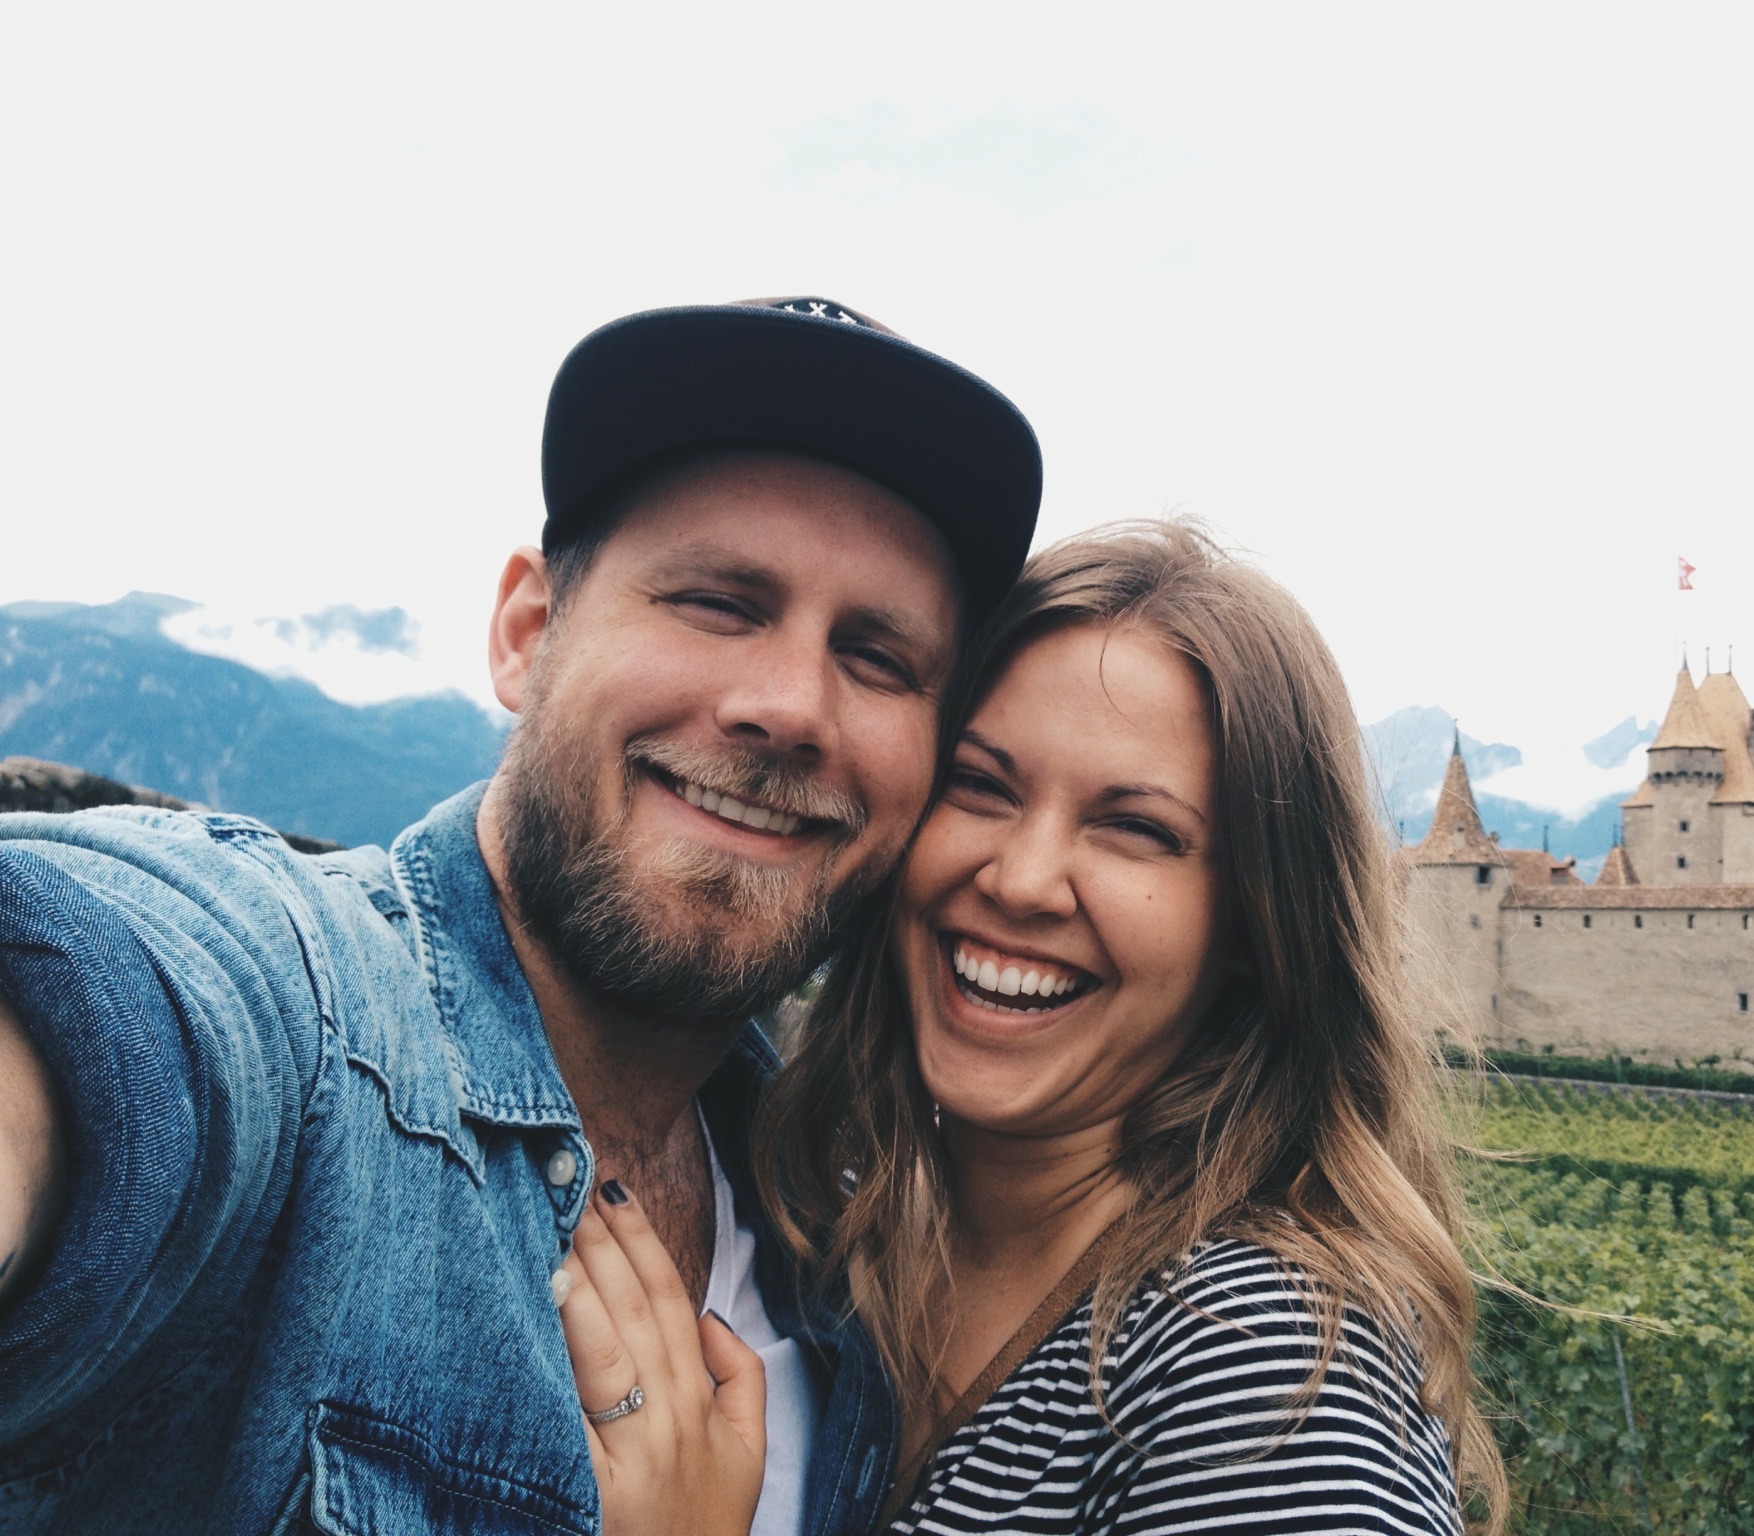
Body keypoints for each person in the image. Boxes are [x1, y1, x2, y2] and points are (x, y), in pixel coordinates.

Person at [0, 296, 1040, 1535]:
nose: (790, 706)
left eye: (877, 658)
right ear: (527, 633)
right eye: (718, 601)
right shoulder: (304, 1017)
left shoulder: (836, 1227)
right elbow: (117, 1008)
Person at [565, 522, 1507, 1535]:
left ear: (1254, 923)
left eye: (1134, 828)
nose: (1020, 881)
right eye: (980, 786)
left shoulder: (1263, 1374)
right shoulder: (841, 1245)